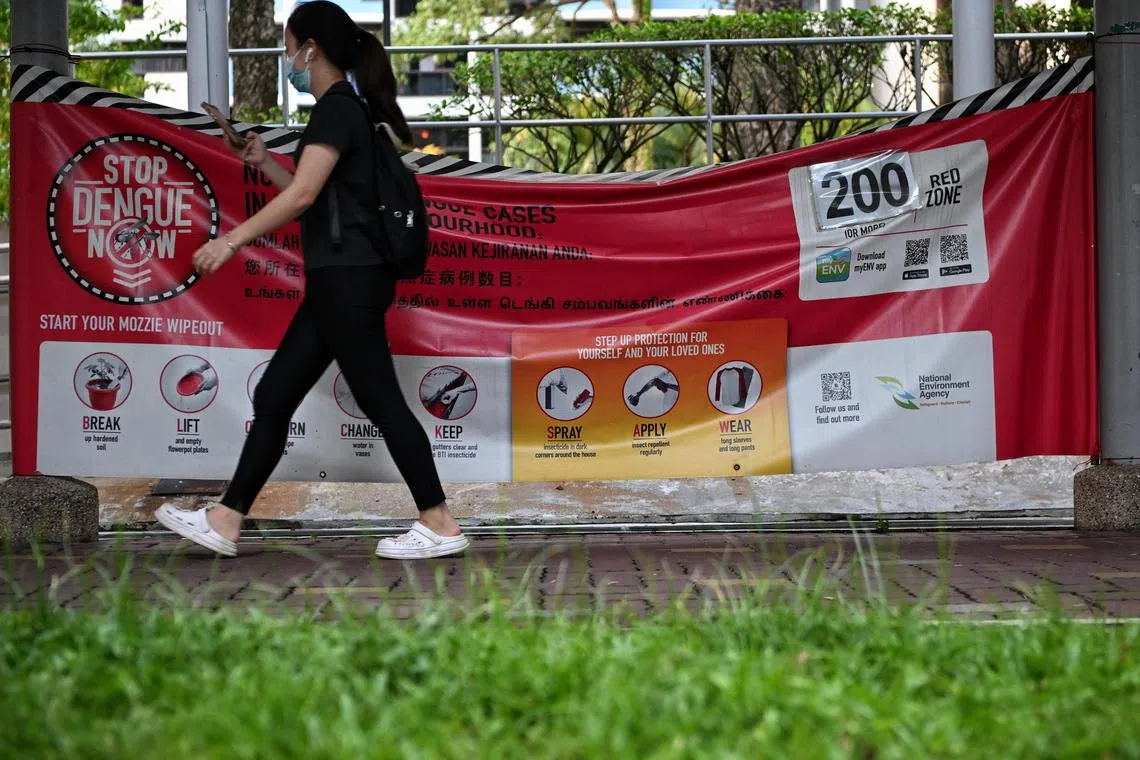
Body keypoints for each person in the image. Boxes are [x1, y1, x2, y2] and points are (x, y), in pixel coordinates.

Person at [155, 0, 467, 561]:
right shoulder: (346, 111)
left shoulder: (335, 110)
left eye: (288, 49)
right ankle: (226, 519)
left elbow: (302, 197)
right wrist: (262, 161)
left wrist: (229, 240)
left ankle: (440, 522)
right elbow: (315, 197)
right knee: (275, 394)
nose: (287, 61)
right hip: (339, 282)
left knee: (382, 402)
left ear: (310, 49)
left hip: (348, 282)